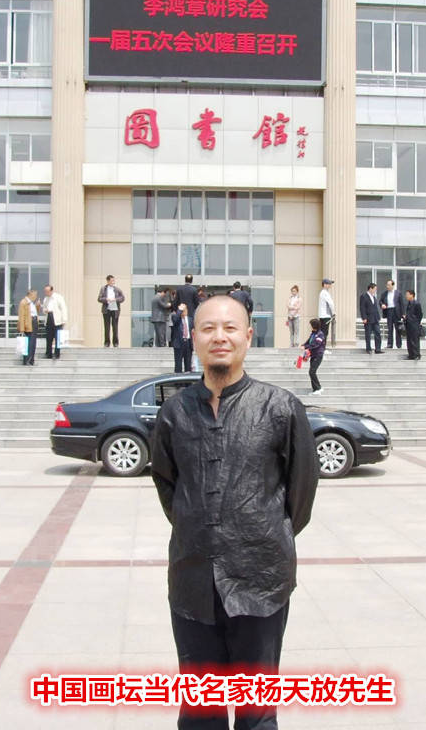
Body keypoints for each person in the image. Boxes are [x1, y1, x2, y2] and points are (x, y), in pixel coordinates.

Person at [151, 295, 319, 730]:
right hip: (191, 579)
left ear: (248, 335)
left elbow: (300, 494)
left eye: (229, 328)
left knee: (256, 713)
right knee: (199, 710)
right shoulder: (174, 412)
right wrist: (199, 529)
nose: (219, 337)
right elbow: (169, 485)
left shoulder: (280, 407)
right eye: (208, 328)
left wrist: (263, 533)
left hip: (261, 581)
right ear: (194, 337)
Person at [97, 275, 125, 348]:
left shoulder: (117, 289)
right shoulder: (103, 289)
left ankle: (115, 343)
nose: (113, 282)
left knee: (115, 327)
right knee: (107, 327)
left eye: (113, 280)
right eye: (112, 280)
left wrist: (115, 299)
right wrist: (106, 299)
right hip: (106, 310)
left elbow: (122, 298)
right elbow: (99, 299)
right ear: (108, 281)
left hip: (115, 310)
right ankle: (107, 343)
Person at [42, 285, 68, 359]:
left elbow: (63, 308)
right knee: (49, 337)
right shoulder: (45, 299)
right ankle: (48, 353)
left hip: (57, 320)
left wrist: (64, 320)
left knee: (58, 337)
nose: (46, 293)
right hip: (49, 318)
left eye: (47, 291)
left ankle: (57, 353)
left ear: (51, 291)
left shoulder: (58, 297)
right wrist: (45, 310)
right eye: (45, 291)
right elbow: (44, 308)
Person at [302, 318, 326, 395]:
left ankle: (318, 388)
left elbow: (316, 344)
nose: (310, 326)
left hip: (318, 355)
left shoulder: (320, 334)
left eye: (311, 325)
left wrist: (306, 347)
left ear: (314, 325)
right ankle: (315, 389)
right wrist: (304, 345)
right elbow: (309, 341)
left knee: (312, 372)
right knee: (311, 372)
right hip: (313, 355)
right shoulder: (313, 333)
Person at [18, 289, 40, 366]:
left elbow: (35, 313)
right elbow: (21, 316)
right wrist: (22, 329)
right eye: (35, 295)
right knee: (29, 343)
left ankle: (31, 360)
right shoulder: (24, 302)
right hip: (29, 324)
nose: (36, 297)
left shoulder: (32, 303)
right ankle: (27, 360)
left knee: (33, 343)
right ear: (31, 294)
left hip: (34, 322)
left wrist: (37, 306)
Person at [360, 282, 384, 354]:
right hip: (368, 318)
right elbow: (362, 308)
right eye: (375, 289)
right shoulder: (364, 296)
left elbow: (375, 308)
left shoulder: (373, 297)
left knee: (378, 333)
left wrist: (378, 317)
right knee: (368, 334)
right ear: (370, 288)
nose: (375, 291)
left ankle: (378, 349)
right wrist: (364, 318)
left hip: (375, 318)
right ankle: (368, 348)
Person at [380, 279, 404, 349]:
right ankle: (389, 344)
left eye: (389, 285)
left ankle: (399, 344)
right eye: (387, 285)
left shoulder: (398, 293)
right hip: (389, 311)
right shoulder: (384, 293)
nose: (387, 286)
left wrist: (403, 314)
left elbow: (402, 304)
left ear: (393, 285)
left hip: (396, 312)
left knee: (398, 329)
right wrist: (382, 305)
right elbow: (380, 301)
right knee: (390, 329)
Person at [171, 303, 193, 373]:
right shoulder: (176, 318)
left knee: (188, 365)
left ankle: (187, 379)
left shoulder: (190, 319)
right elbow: (175, 320)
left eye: (184, 310)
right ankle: (178, 379)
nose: (183, 312)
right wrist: (179, 310)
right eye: (182, 310)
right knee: (178, 365)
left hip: (188, 343)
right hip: (179, 344)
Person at [404, 289, 423, 360]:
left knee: (415, 340)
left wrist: (416, 322)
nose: (406, 296)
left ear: (412, 295)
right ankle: (411, 354)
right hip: (408, 324)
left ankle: (417, 355)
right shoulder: (409, 303)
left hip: (414, 325)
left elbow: (420, 314)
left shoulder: (416, 303)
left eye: (407, 294)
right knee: (409, 340)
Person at [318, 278, 335, 354]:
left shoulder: (323, 292)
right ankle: (322, 349)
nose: (330, 285)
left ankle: (321, 348)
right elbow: (331, 303)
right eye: (329, 284)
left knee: (323, 332)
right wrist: (333, 313)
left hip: (323, 315)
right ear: (324, 285)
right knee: (324, 332)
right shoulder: (325, 293)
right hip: (326, 315)